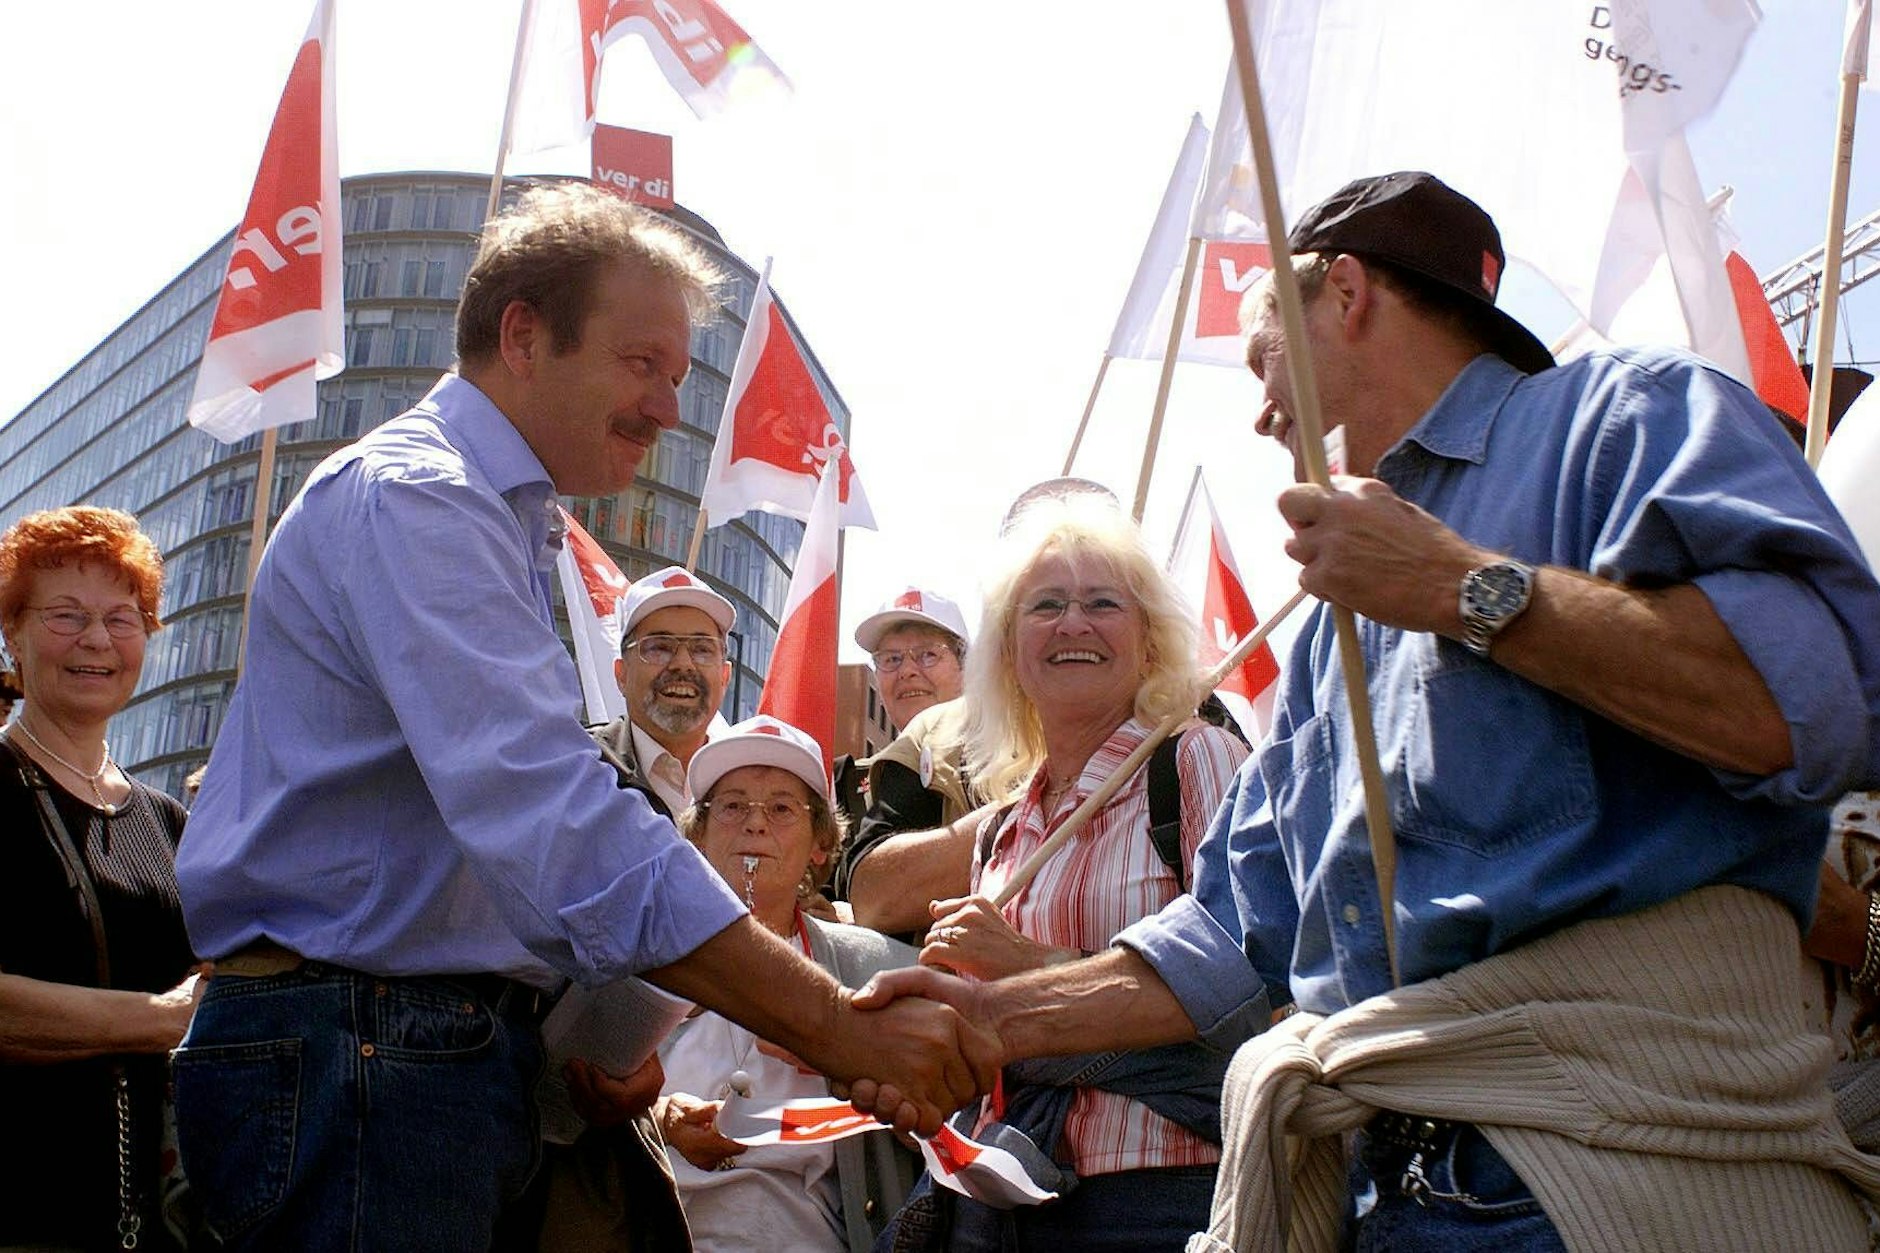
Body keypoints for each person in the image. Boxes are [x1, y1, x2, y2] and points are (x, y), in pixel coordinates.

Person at [850, 172, 1880, 1251]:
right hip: (1379, 1190)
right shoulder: (1328, 633)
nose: (1260, 411)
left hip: (1620, 1171)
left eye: (1263, 361)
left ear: (1342, 293)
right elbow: (1233, 925)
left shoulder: (1627, 416)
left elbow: (1807, 704)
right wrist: (992, 1019)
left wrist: (1460, 588)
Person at [171, 182, 992, 1252]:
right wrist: (834, 1022)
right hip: (357, 1062)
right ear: (523, 333)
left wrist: (583, 1039)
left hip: (405, 1062)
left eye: (680, 376)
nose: (666, 407)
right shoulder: (421, 498)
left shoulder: (507, 523)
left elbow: (497, 842)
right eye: (640, 363)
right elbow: (554, 819)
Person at [878, 489, 1248, 1251]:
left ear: (1149, 641)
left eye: (1102, 602)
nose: (1073, 622)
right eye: (1046, 604)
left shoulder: (1196, 762)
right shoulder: (1002, 830)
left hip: (1160, 1197)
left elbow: (1252, 976)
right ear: (1011, 650)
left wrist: (1027, 965)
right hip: (996, 1202)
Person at [0, 505, 202, 1251]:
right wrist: (161, 1016)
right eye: (65, 615)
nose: (95, 640)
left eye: (122, 618)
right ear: (12, 632)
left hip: (142, 1223)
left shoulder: (169, 822)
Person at [647, 715, 918, 1253]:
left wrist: (848, 1061)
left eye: (780, 808)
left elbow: (943, 1129)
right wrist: (658, 1118)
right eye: (732, 806)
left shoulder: (877, 969)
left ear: (821, 842)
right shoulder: (640, 962)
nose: (754, 825)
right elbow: (564, 1098)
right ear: (696, 834)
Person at [533, 564, 738, 1251]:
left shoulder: (761, 792)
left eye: (700, 648)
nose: (682, 664)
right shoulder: (576, 773)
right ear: (620, 673)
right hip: (593, 1138)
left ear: (726, 674)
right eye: (659, 645)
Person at [833, 587, 974, 919]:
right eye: (891, 659)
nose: (907, 671)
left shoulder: (1010, 757)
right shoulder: (845, 780)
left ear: (966, 667)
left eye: (927, 654)